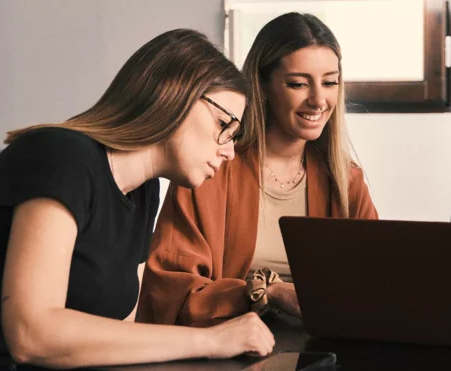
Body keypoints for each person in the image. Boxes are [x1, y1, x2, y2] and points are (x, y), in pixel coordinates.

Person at [0, 29, 275, 370]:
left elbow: (118, 333)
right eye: (225, 125)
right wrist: (209, 340)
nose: (229, 151)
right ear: (174, 94)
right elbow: (32, 334)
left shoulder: (144, 191)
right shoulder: (61, 157)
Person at [138, 13, 377, 327]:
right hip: (227, 342)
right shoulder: (208, 169)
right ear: (262, 85)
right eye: (298, 84)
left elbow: (376, 281)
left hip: (323, 342)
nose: (319, 100)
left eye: (330, 82)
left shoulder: (346, 180)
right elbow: (170, 294)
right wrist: (267, 293)